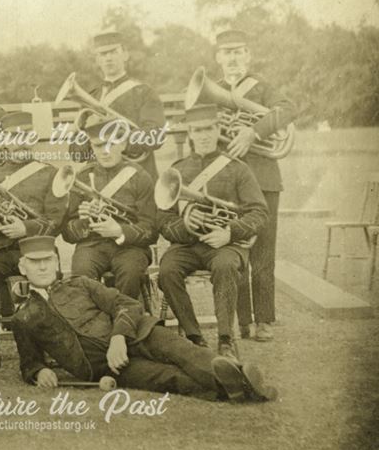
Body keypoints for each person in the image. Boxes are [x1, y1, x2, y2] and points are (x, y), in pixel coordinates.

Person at [11, 235, 277, 403]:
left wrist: (118, 337)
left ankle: (243, 381)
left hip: (137, 332)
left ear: (57, 262)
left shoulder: (80, 284)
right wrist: (40, 372)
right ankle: (239, 387)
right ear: (23, 267)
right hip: (106, 367)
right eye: (35, 262)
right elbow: (29, 362)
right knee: (167, 379)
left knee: (184, 351)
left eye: (47, 260)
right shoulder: (24, 316)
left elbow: (126, 304)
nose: (43, 267)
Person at [157, 104, 268, 360]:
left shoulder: (237, 168)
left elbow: (260, 212)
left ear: (217, 130)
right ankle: (195, 337)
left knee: (226, 267)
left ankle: (226, 339)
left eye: (209, 128)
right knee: (167, 271)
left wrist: (230, 232)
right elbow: (162, 218)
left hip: (227, 245)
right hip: (187, 246)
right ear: (191, 134)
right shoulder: (178, 170)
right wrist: (186, 225)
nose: (204, 135)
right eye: (198, 130)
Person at [212, 30, 295, 342]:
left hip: (264, 179)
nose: (233, 58)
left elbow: (288, 109)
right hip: (228, 183)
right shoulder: (213, 90)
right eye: (226, 52)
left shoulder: (261, 86)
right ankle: (243, 321)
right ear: (218, 57)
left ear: (248, 55)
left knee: (262, 252)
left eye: (238, 51)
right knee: (235, 249)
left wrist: (253, 132)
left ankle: (264, 321)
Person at [0, 111, 67, 371]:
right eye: (14, 136)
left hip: (37, 246)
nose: (21, 142)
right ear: (3, 140)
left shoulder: (50, 174)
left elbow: (56, 220)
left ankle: (52, 345)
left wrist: (25, 227)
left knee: (47, 279)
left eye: (26, 135)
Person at [61, 113, 157, 299]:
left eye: (111, 143)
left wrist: (119, 231)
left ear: (122, 144)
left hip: (130, 248)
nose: (105, 151)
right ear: (91, 146)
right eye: (98, 145)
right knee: (81, 275)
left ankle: (124, 323)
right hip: (91, 246)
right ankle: (95, 324)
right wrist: (84, 222)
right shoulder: (81, 176)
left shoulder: (140, 176)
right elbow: (67, 232)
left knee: (130, 272)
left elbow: (151, 230)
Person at [69, 33, 166, 179]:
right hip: (99, 178)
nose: (108, 58)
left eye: (114, 52)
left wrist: (119, 140)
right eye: (103, 54)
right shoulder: (90, 97)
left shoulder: (144, 92)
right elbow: (77, 155)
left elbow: (156, 135)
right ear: (97, 60)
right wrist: (85, 135)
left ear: (125, 55)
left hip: (135, 176)